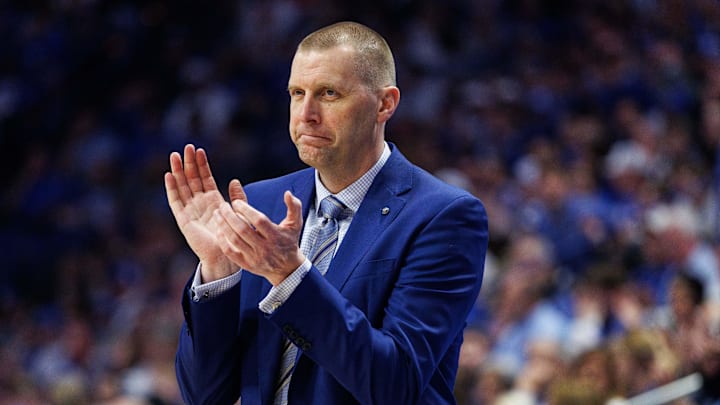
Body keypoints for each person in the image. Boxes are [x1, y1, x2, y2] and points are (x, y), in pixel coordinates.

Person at [164, 21, 488, 404]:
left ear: (385, 104)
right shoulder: (260, 204)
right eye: (296, 93)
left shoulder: (444, 216)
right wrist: (218, 270)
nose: (306, 113)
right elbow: (205, 394)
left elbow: (395, 384)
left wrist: (290, 277)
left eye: (329, 93)